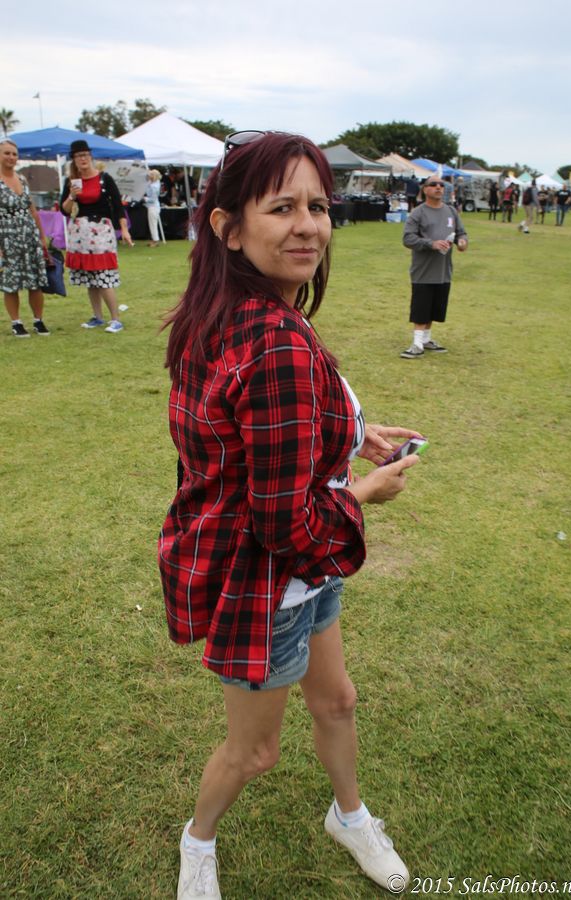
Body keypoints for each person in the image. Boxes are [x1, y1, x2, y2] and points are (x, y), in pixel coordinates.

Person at [159, 131, 421, 899]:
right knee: (254, 752)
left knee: (336, 701)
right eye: (282, 208)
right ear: (229, 227)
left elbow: (260, 429)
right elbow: (284, 524)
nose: (309, 225)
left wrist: (353, 431)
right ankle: (197, 842)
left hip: (306, 577)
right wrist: (364, 493)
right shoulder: (273, 339)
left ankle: (350, 816)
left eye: (318, 206)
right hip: (270, 581)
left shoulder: (238, 307)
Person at [60, 140, 133, 332]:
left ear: (90, 156)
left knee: (103, 275)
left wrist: (124, 230)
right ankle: (98, 317)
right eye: (78, 156)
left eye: (85, 154)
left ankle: (115, 319)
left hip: (101, 231)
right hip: (80, 233)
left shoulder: (104, 179)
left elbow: (118, 207)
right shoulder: (70, 182)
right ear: (73, 159)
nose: (82, 159)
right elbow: (64, 210)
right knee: (90, 278)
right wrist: (72, 196)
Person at [400, 175, 468, 359]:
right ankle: (416, 344)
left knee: (435, 307)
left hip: (444, 269)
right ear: (425, 189)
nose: (438, 187)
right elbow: (407, 238)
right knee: (421, 306)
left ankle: (426, 339)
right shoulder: (418, 212)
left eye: (441, 185)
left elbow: (461, 233)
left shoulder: (451, 211)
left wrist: (462, 242)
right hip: (423, 270)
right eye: (433, 184)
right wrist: (431, 244)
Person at [0, 138, 50, 337]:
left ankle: (38, 320)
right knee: (11, 282)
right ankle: (16, 322)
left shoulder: (22, 179)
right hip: (6, 237)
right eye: (7, 153)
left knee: (35, 280)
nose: (11, 157)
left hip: (29, 235)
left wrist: (42, 236)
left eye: (14, 154)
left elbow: (33, 210)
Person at [144, 169, 162, 247]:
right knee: (152, 224)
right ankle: (154, 239)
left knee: (153, 224)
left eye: (150, 175)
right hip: (153, 206)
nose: (149, 176)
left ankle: (155, 240)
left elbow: (153, 199)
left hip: (153, 206)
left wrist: (144, 199)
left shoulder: (154, 186)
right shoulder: (155, 183)